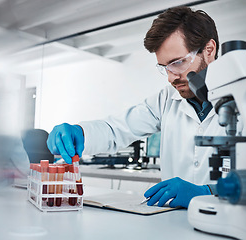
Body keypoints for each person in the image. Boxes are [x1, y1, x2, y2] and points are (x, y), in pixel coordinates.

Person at [47, 6, 224, 208]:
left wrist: (208, 192)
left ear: (209, 50)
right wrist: (80, 132)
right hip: (175, 224)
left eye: (177, 63)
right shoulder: (166, 99)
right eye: (164, 67)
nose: (170, 78)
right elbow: (117, 129)